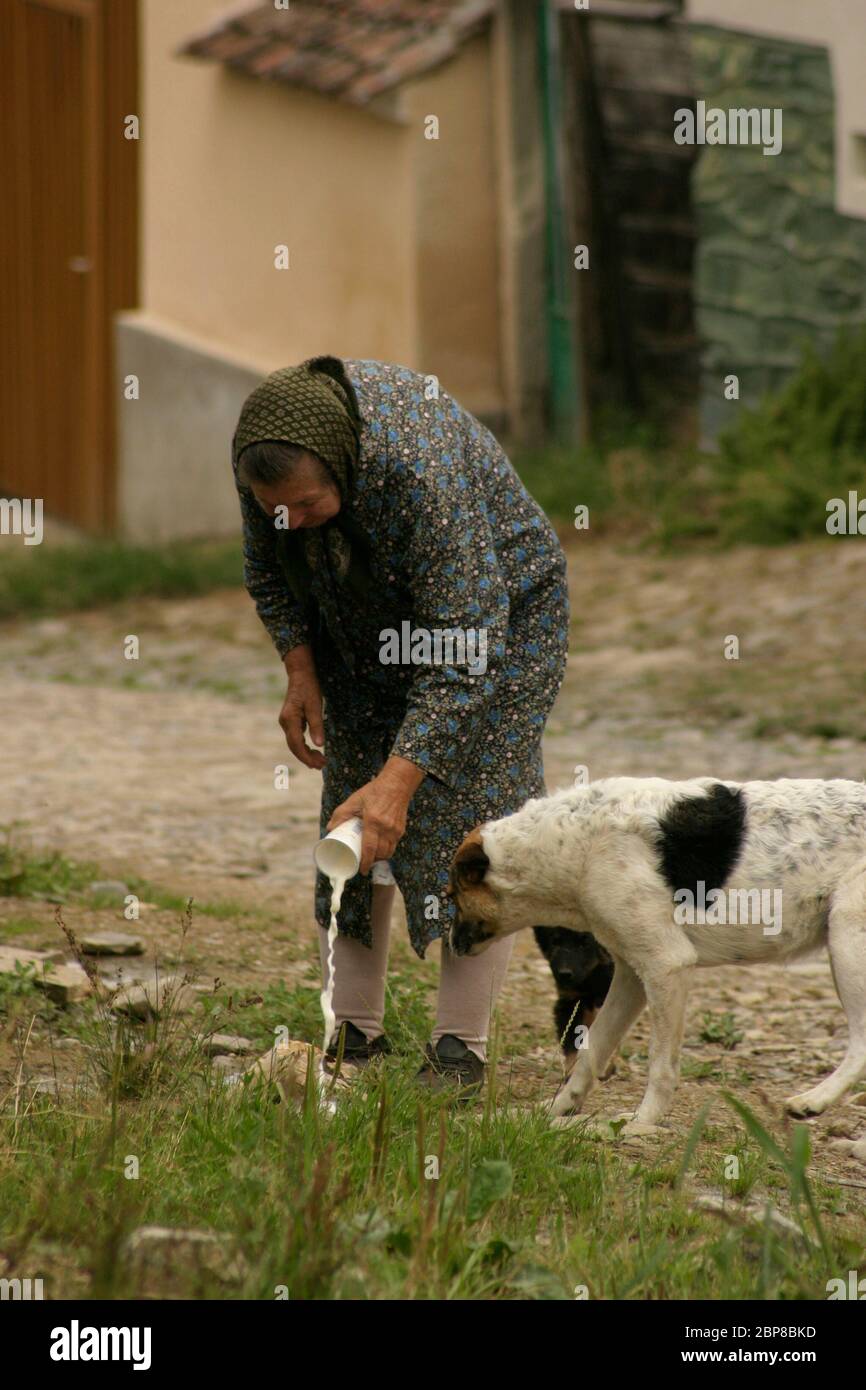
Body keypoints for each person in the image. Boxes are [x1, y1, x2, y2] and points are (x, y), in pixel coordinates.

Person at [232, 355, 568, 1096]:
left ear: (343, 468)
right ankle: (354, 1034)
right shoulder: (265, 461)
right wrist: (300, 668)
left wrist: (402, 780)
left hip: (495, 621)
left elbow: (467, 639)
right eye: (275, 508)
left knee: (464, 815)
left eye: (309, 504)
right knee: (353, 813)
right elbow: (267, 569)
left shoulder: (420, 473)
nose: (290, 519)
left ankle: (460, 1052)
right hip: (366, 619)